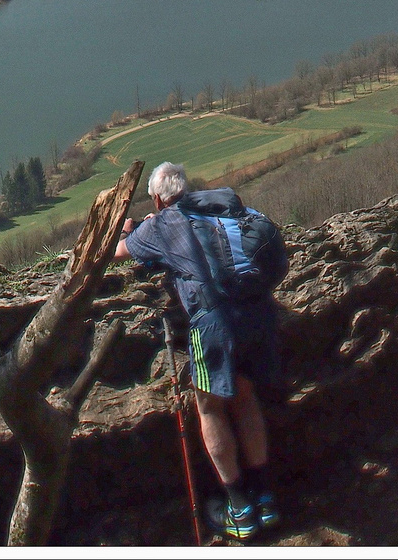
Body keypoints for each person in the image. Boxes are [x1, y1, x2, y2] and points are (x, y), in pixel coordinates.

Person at [113, 162, 284, 540]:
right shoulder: (218, 206)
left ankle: (239, 508)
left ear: (157, 198)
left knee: (210, 407)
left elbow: (119, 252)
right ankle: (265, 499)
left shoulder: (161, 225)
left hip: (215, 324)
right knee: (245, 396)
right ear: (185, 189)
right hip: (259, 311)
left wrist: (127, 230)